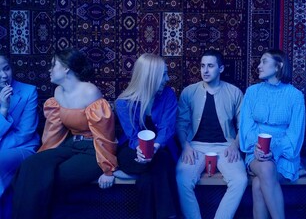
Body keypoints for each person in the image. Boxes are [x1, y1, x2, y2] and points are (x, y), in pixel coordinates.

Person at [12, 48, 117, 219]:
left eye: (53, 65)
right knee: (31, 166)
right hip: (71, 145)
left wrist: (108, 169)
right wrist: (44, 158)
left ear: (66, 68)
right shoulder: (58, 93)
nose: (49, 70)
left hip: (94, 150)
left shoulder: (90, 91)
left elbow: (105, 134)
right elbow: (53, 131)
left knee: (54, 177)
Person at [176, 49, 248, 219]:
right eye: (202, 66)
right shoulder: (189, 92)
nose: (205, 70)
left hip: (225, 147)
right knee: (182, 179)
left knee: (240, 180)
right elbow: (181, 123)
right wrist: (185, 146)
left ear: (221, 69)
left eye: (210, 66)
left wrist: (235, 145)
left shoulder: (234, 92)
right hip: (195, 146)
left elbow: (244, 125)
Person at [239, 49, 306, 219]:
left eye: (264, 61)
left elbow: (295, 135)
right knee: (267, 167)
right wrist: (259, 148)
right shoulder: (252, 92)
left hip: (284, 156)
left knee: (257, 184)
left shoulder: (295, 96)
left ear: (278, 66)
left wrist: (273, 150)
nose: (259, 66)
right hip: (256, 153)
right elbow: (246, 127)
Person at [115, 53, 179, 219]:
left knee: (148, 179)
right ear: (150, 76)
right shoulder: (123, 102)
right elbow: (133, 136)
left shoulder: (168, 95)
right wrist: (142, 151)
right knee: (160, 165)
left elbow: (167, 128)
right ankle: (169, 215)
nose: (167, 78)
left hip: (161, 149)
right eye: (163, 74)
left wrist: (154, 148)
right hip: (132, 150)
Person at [0, 54, 40, 218]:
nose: (3, 75)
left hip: (23, 148)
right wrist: (3, 110)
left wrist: (5, 107)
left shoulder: (29, 91)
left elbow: (26, 133)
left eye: (6, 68)